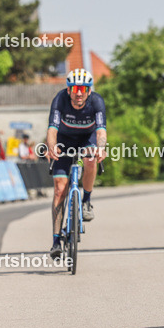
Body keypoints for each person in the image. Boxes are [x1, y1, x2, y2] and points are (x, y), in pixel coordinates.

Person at [46, 68, 107, 260]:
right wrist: (52, 147)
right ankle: (56, 240)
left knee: (90, 159)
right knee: (59, 189)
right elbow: (52, 129)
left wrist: (101, 147)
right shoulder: (60, 100)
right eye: (74, 88)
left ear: (89, 90)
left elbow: (101, 132)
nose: (78, 93)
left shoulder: (96, 102)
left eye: (82, 88)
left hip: (87, 138)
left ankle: (86, 200)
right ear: (68, 89)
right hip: (64, 139)